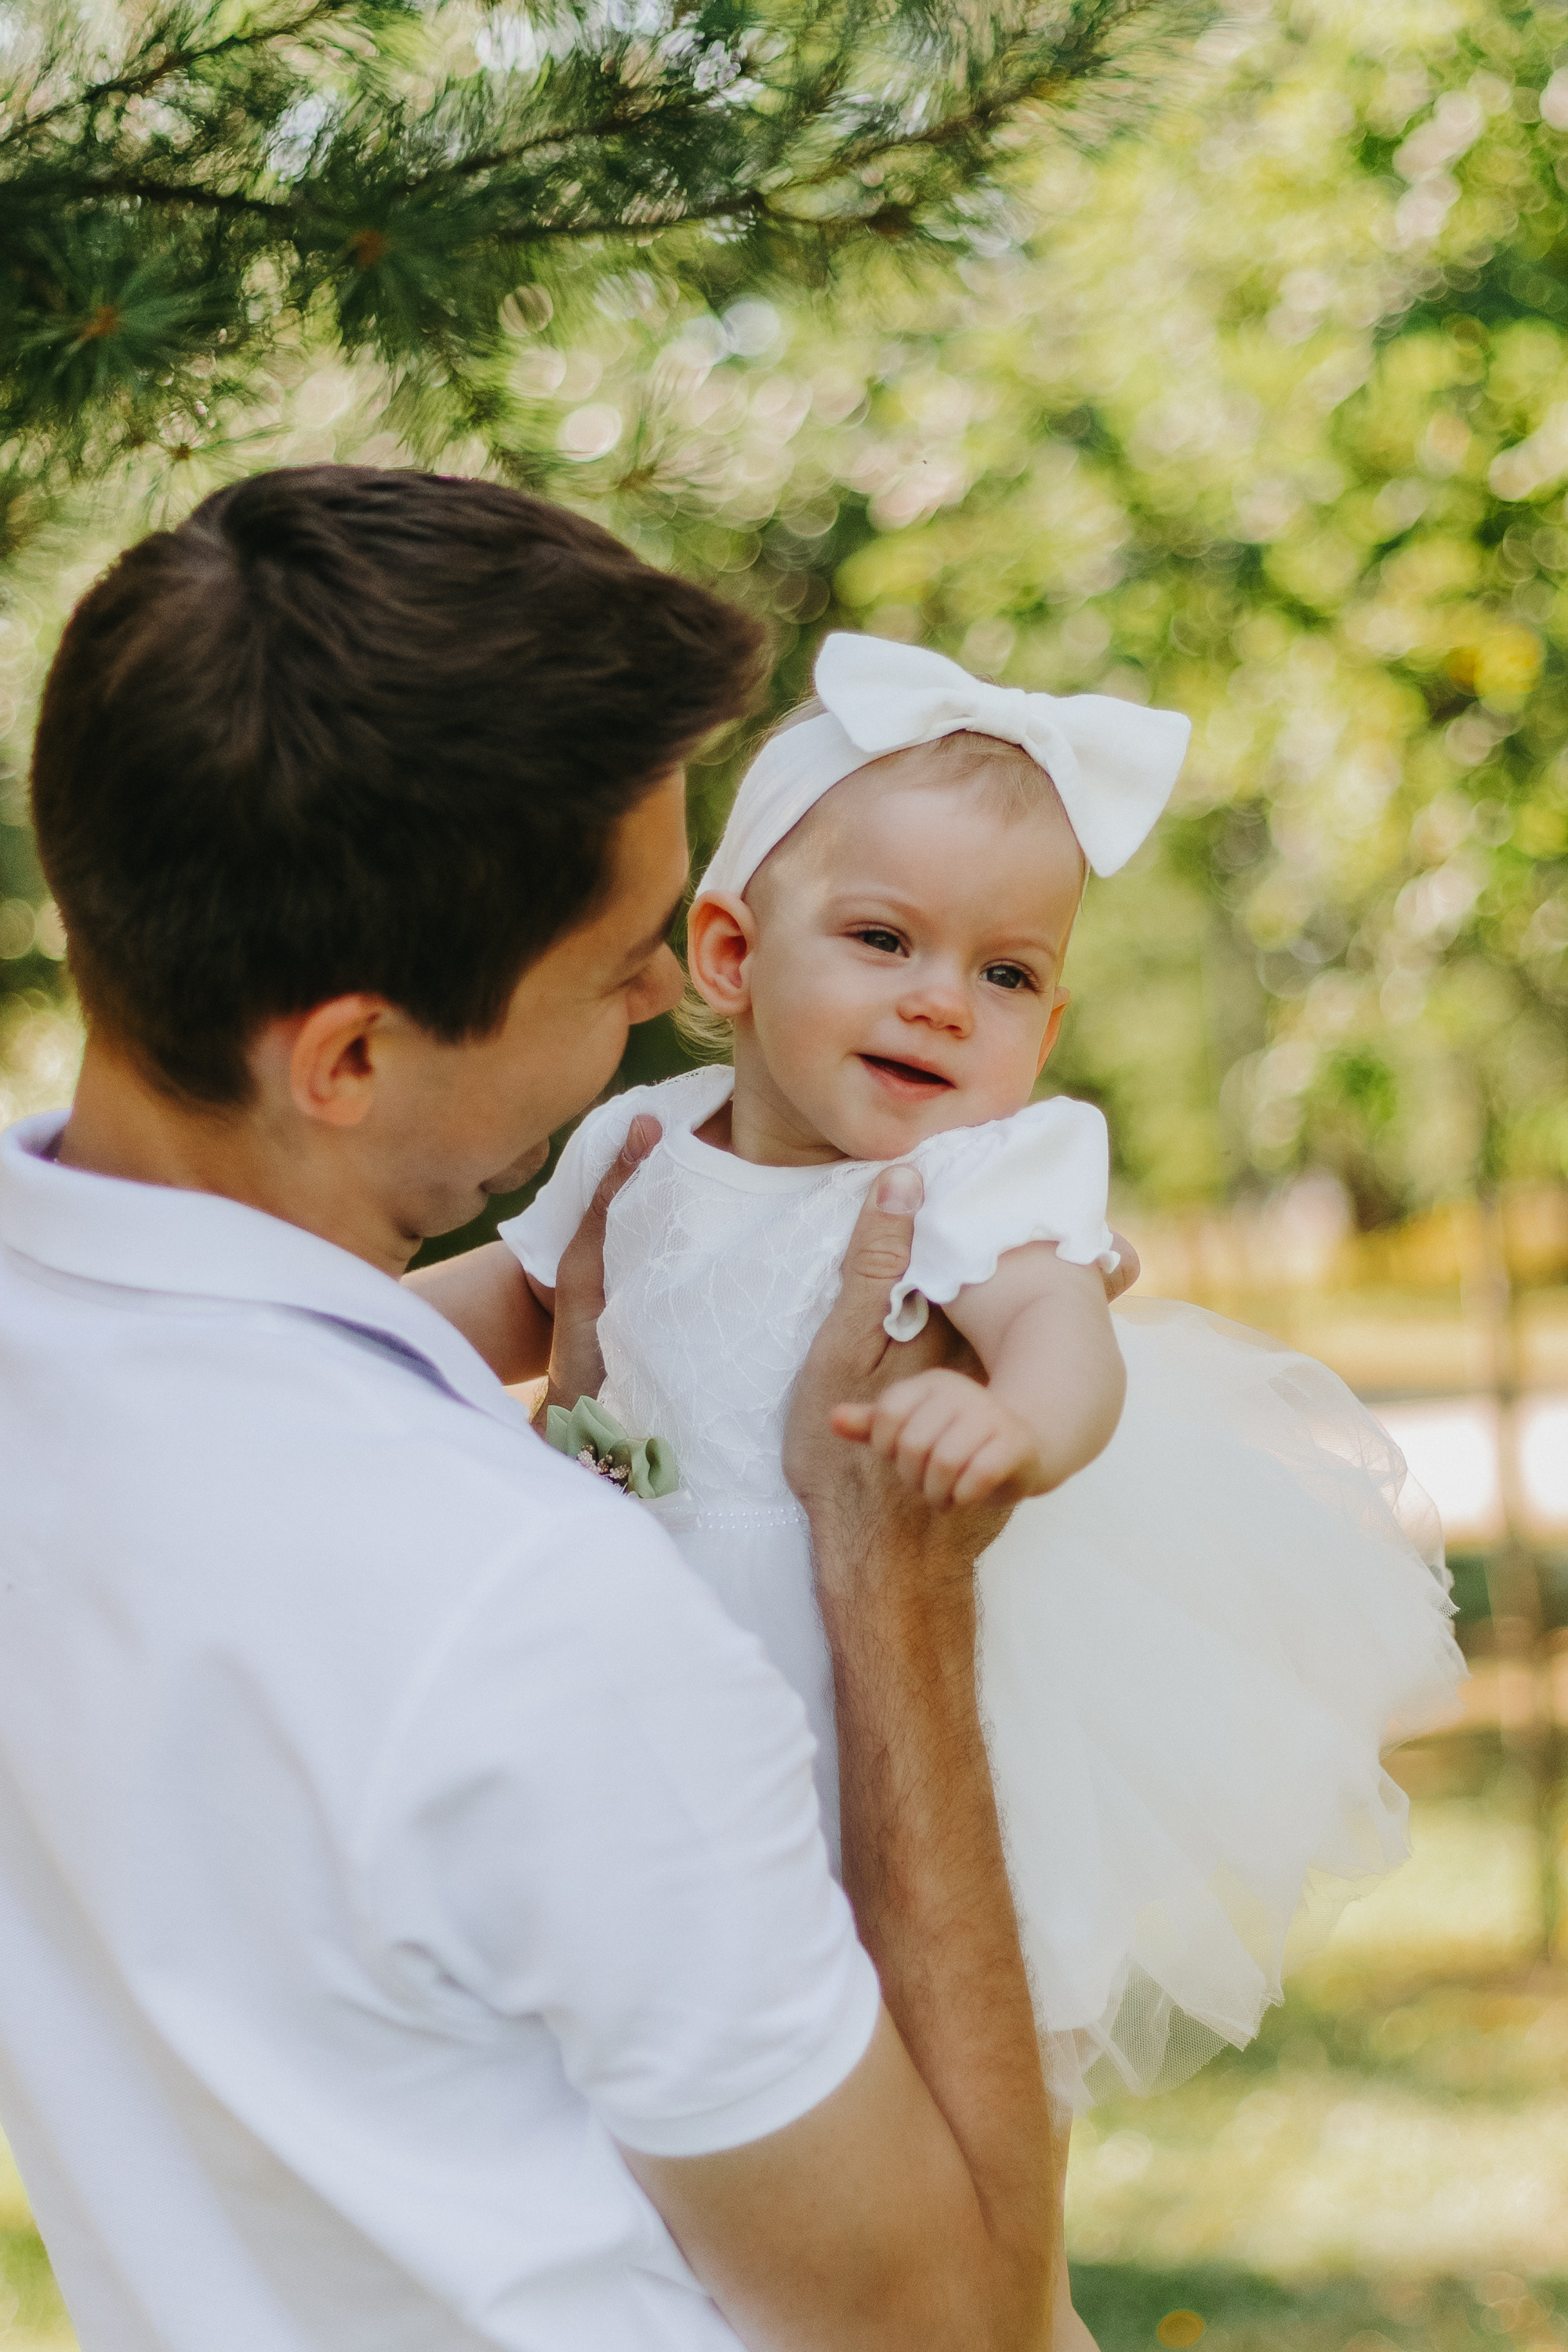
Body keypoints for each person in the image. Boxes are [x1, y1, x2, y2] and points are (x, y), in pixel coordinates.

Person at [0, 467, 1095, 2351]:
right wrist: (895, 1596)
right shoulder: (535, 1613)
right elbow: (952, 2325)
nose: (681, 993)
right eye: (618, 966)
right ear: (350, 1055)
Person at [419, 630, 1468, 2116]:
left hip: (869, 1684)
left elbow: (1063, 1330)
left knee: (911, 2079)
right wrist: (311, 1319)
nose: (941, 1002)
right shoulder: (640, 1140)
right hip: (646, 1660)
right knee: (650, 2054)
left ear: (1047, 1027)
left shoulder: (978, 1177)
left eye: (1007, 973)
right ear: (730, 953)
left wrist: (1013, 1426)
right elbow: (500, 1300)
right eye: (882, 941)